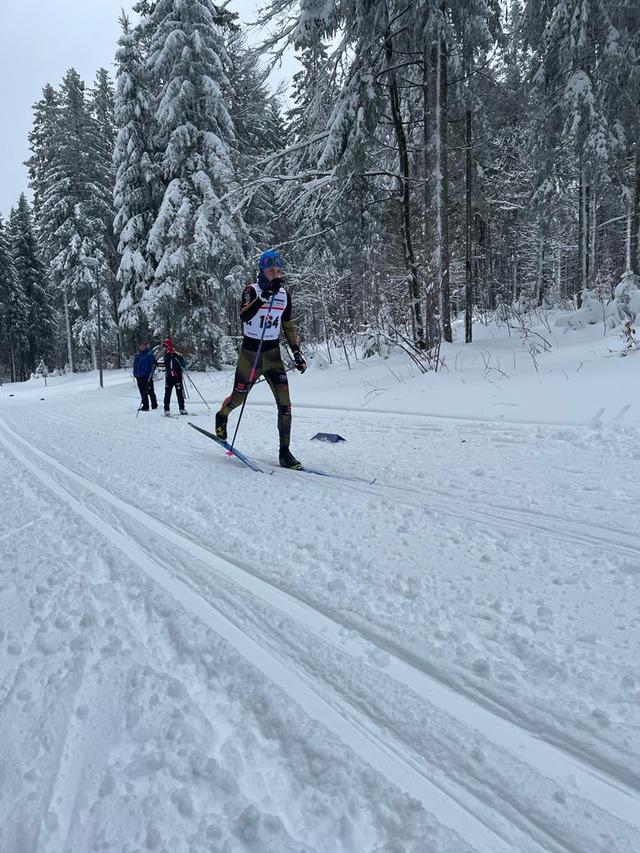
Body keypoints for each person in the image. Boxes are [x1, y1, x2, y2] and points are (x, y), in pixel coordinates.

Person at [215, 249, 307, 468]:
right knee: (239, 398)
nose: (275, 275)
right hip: (251, 353)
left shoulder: (285, 295)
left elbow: (287, 324)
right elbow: (244, 315)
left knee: (285, 405)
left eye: (278, 271)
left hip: (272, 354)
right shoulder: (251, 290)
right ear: (262, 271)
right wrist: (264, 296)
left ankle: (285, 453)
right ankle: (222, 415)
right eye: (270, 271)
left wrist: (296, 352)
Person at [161, 338, 187, 416]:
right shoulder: (166, 355)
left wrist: (180, 367)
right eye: (163, 347)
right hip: (169, 377)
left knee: (179, 394)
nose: (164, 348)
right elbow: (166, 365)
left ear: (169, 346)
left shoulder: (176, 354)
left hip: (177, 377)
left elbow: (183, 364)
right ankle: (166, 409)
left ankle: (182, 409)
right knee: (167, 394)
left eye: (165, 346)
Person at [133, 341, 157, 411]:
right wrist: (135, 373)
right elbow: (135, 365)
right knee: (142, 392)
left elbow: (153, 365)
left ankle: (154, 405)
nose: (142, 347)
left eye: (143, 345)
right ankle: (145, 406)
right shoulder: (137, 355)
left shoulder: (149, 355)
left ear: (146, 346)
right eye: (140, 346)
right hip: (139, 376)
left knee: (150, 391)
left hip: (147, 377)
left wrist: (150, 374)